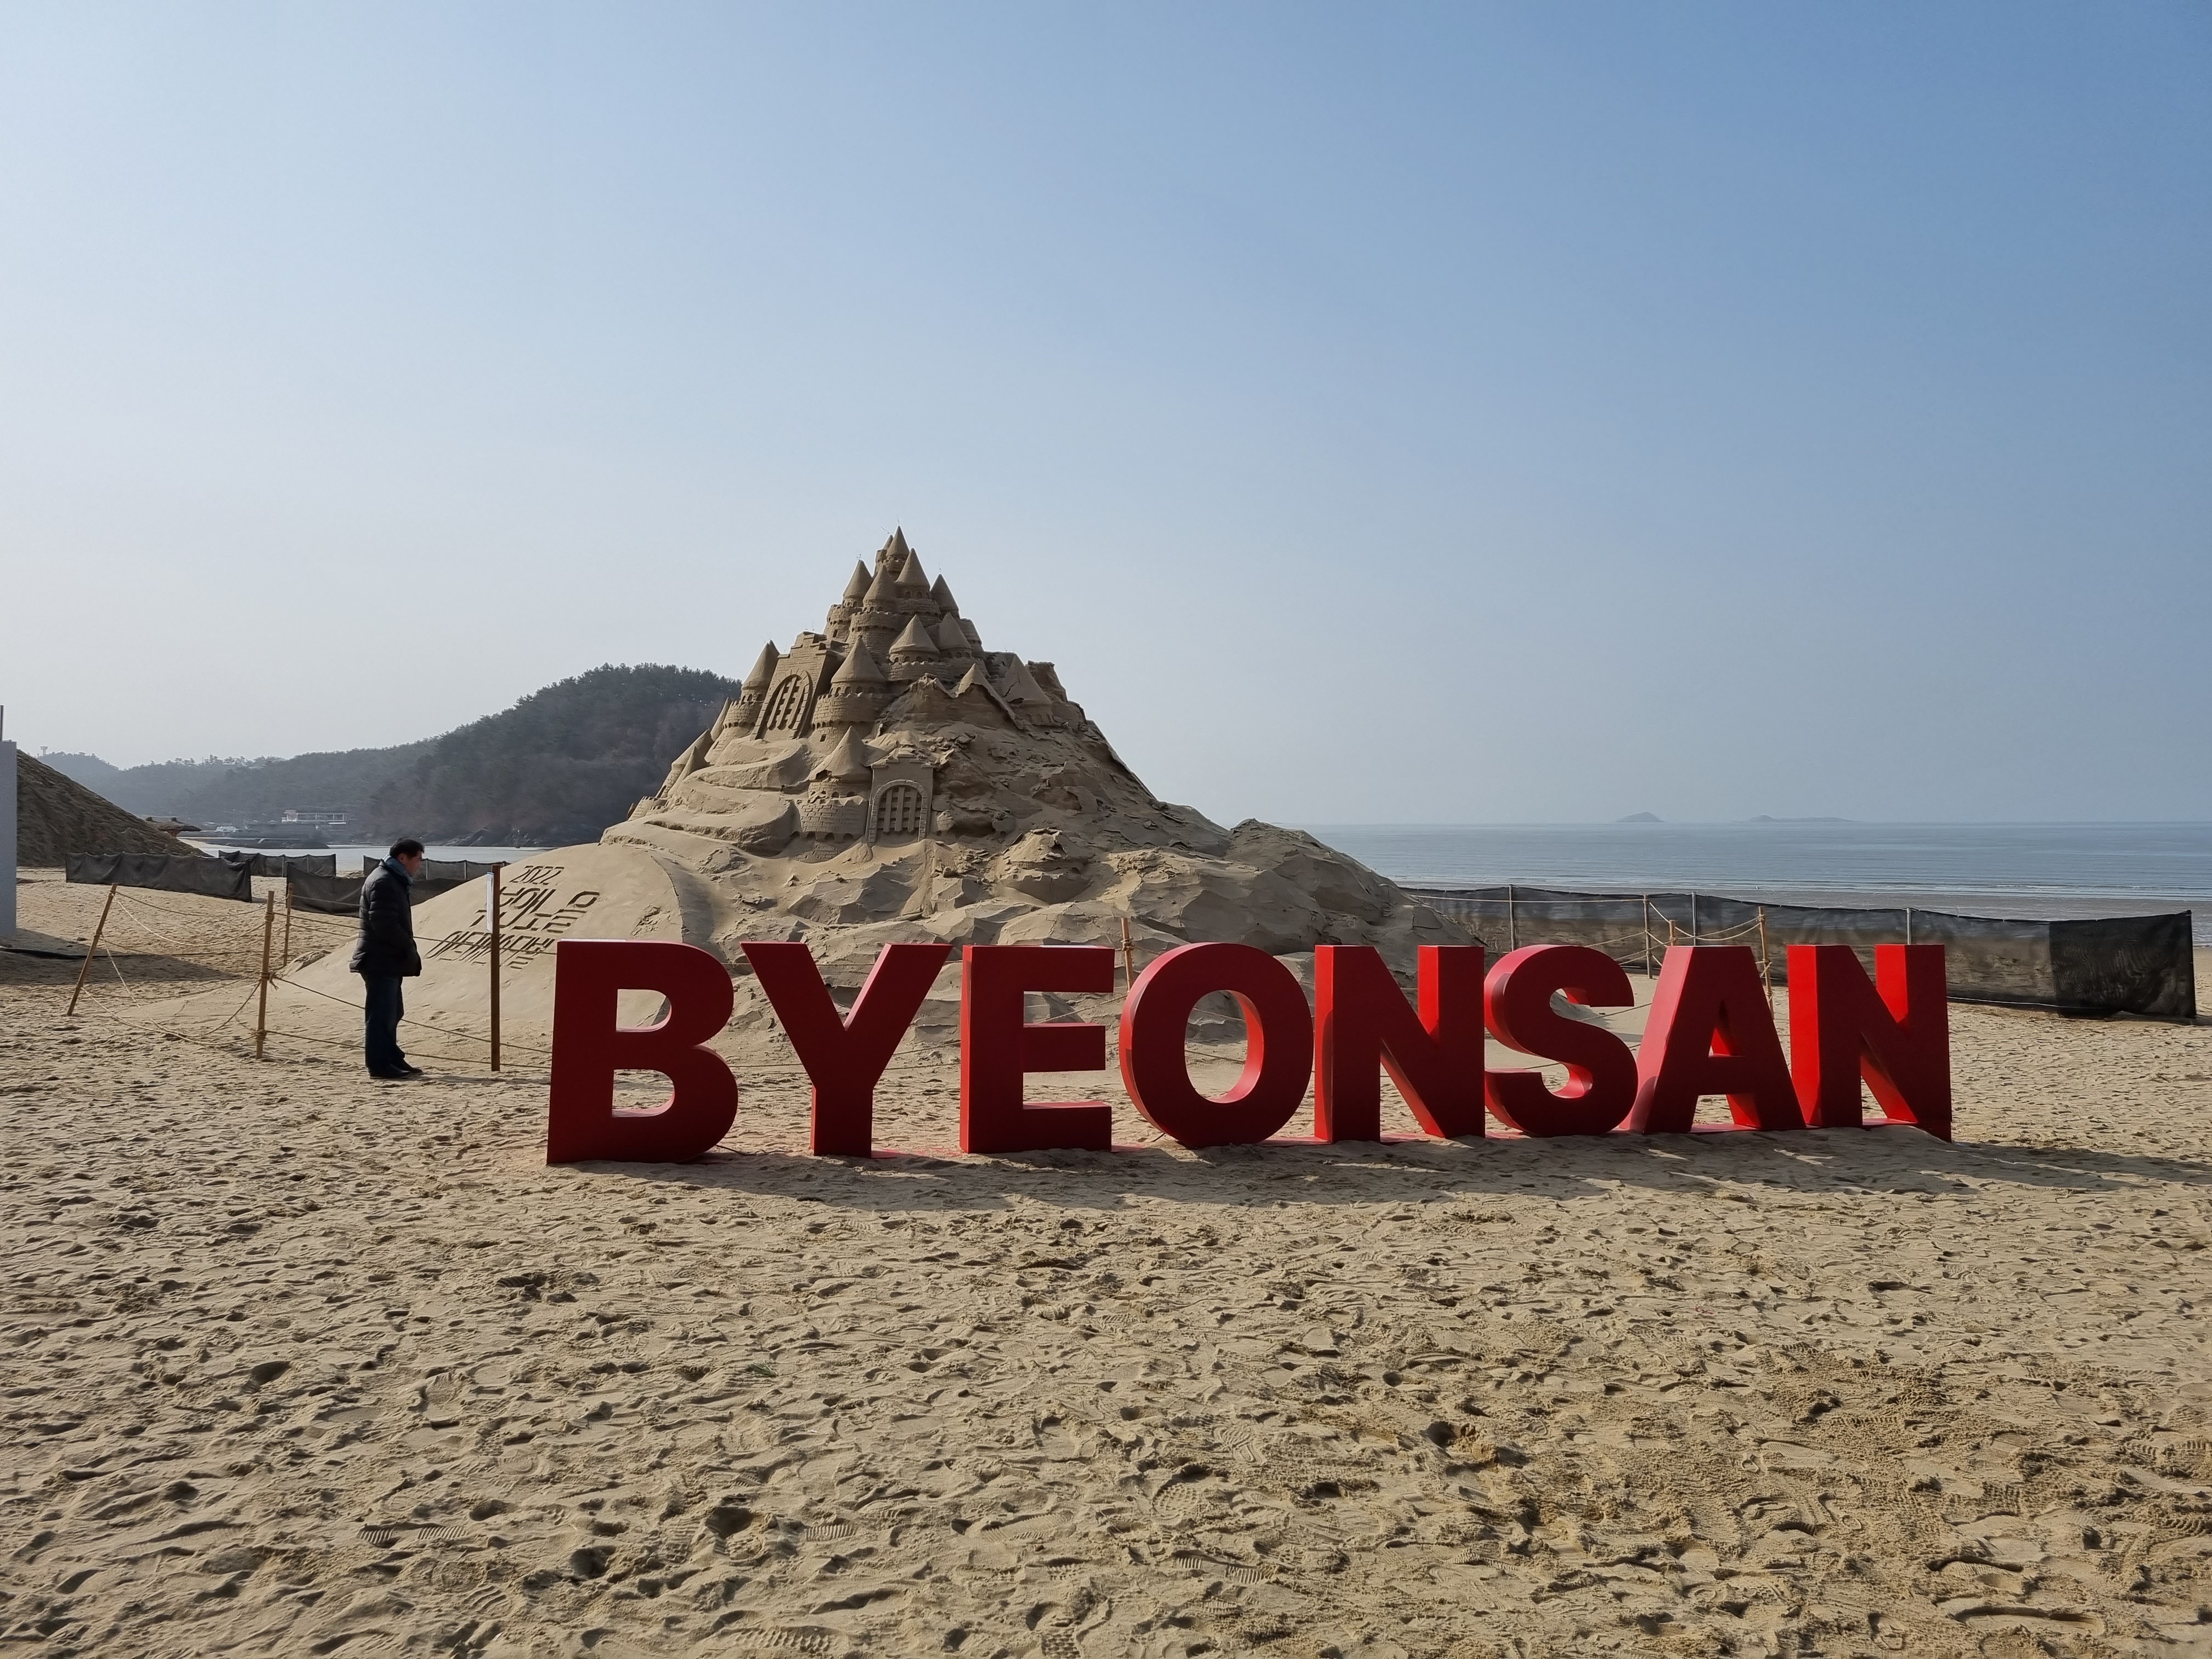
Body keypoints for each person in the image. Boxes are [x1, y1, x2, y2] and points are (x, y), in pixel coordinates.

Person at [351, 838, 426, 1079]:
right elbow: (383, 923)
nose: (419, 865)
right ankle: (379, 1065)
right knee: (381, 1014)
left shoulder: (392, 878)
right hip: (379, 958)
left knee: (394, 1011)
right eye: (418, 860)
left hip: (387, 958)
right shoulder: (384, 881)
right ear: (403, 858)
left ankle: (392, 1058)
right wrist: (408, 945)